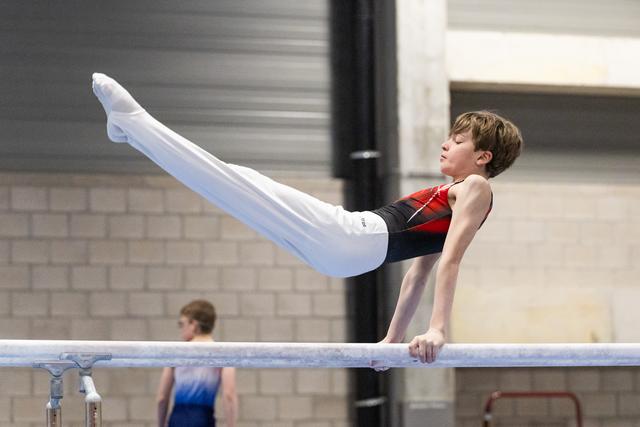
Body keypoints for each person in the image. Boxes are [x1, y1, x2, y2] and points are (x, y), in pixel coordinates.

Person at [92, 73, 523, 363]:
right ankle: (131, 131)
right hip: (346, 250)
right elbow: (418, 275)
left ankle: (134, 122)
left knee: (235, 183)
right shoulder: (451, 193)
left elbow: (449, 262)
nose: (446, 144)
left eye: (458, 140)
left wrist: (438, 331)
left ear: (482, 157)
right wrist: (392, 342)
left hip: (352, 239)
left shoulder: (476, 189)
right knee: (236, 184)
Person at [156, 300, 238, 427]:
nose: (181, 329)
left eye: (182, 324)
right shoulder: (223, 354)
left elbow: (162, 398)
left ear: (193, 324)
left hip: (177, 419)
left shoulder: (175, 353)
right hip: (203, 419)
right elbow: (229, 396)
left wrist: (160, 425)